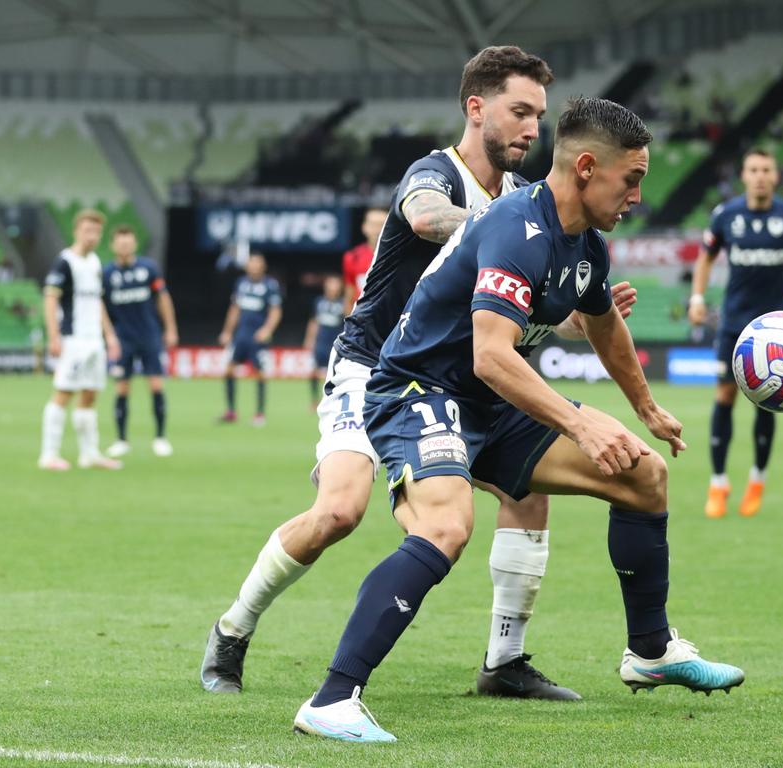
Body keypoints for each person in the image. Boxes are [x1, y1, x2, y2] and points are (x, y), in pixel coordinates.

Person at [292, 98, 744, 743]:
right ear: (586, 167)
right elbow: (491, 355)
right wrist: (583, 424)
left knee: (642, 476)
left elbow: (602, 320)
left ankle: (650, 651)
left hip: (487, 402)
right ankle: (332, 700)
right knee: (448, 525)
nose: (638, 196)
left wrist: (644, 409)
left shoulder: (584, 241)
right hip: (419, 389)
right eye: (632, 179)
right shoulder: (515, 227)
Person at [201, 46, 632, 703]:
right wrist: (501, 231)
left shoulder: (524, 200)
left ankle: (505, 662)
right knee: (340, 511)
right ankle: (234, 628)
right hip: (372, 366)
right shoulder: (437, 174)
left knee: (528, 487)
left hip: (453, 382)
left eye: (539, 116)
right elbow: (425, 217)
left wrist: (582, 317)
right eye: (519, 112)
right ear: (476, 108)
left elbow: (526, 303)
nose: (530, 129)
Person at [688, 148, 783, 519]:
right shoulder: (726, 216)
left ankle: (757, 479)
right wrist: (697, 297)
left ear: (775, 176)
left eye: (766, 169)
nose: (760, 175)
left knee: (767, 400)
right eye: (753, 170)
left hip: (776, 330)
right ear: (744, 176)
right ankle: (718, 483)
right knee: (724, 395)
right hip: (734, 325)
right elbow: (705, 259)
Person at [38, 209, 123, 471]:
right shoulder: (65, 262)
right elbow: (50, 299)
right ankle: (48, 455)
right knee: (63, 393)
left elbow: (97, 301)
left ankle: (89, 454)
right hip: (73, 340)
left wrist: (109, 335)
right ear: (76, 231)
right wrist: (53, 336)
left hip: (94, 340)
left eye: (96, 232)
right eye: (87, 231)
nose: (92, 236)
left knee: (90, 394)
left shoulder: (95, 263)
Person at [102, 227, 179, 458]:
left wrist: (171, 329)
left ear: (134, 244)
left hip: (149, 336)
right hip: (123, 338)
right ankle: (122, 440)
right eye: (120, 243)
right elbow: (100, 306)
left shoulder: (148, 269)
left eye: (128, 243)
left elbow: (163, 298)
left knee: (155, 385)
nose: (124, 247)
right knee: (122, 387)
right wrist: (109, 335)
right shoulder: (106, 274)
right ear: (113, 245)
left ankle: (160, 437)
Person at [217, 253, 282, 427]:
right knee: (228, 370)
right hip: (241, 335)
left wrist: (267, 329)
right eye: (251, 263)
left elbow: (276, 310)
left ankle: (260, 413)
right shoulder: (241, 283)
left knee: (259, 373)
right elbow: (235, 309)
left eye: (257, 264)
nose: (253, 267)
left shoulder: (270, 285)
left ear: (263, 267)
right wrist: (227, 331)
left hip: (257, 336)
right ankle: (231, 411)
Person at [303, 275, 345, 409]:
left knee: (335, 373)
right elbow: (314, 321)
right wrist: (309, 339)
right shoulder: (319, 302)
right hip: (320, 342)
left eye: (335, 284)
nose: (332, 288)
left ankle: (333, 399)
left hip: (335, 344)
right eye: (330, 284)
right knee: (314, 372)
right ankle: (314, 400)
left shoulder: (343, 304)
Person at [342, 209, 388, 314]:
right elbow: (349, 295)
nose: (377, 229)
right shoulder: (352, 257)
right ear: (364, 227)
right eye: (373, 224)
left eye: (381, 224)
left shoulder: (399, 256)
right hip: (362, 319)